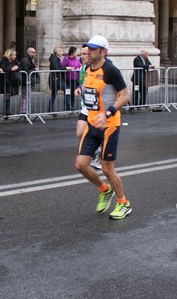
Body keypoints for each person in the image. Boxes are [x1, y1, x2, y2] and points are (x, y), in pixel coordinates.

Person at [75, 35, 132, 220]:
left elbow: (125, 94)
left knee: (107, 169)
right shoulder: (86, 68)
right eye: (88, 49)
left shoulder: (110, 70)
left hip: (109, 125)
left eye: (93, 49)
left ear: (103, 52)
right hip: (92, 124)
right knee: (81, 165)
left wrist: (107, 113)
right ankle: (104, 189)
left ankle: (123, 203)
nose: (88, 52)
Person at [0, 48, 21, 119]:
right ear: (10, 55)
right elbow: (3, 68)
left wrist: (16, 68)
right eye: (14, 55)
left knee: (9, 94)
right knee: (7, 93)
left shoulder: (15, 61)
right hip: (4, 80)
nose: (15, 57)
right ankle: (6, 110)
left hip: (11, 79)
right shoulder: (4, 60)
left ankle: (7, 110)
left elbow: (20, 67)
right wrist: (11, 69)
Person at [61, 46, 82, 111]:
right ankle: (67, 107)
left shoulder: (76, 59)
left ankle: (72, 106)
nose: (76, 53)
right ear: (72, 52)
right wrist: (68, 68)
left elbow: (79, 65)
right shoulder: (66, 58)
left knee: (73, 93)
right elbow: (62, 66)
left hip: (75, 79)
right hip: (68, 78)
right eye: (75, 52)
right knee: (68, 93)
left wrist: (79, 68)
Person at [19, 47, 38, 114]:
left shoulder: (29, 59)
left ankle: (25, 109)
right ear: (29, 52)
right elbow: (26, 71)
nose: (35, 54)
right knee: (25, 95)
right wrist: (34, 70)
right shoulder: (25, 60)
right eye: (33, 52)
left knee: (27, 95)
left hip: (28, 80)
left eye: (35, 52)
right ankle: (23, 110)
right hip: (25, 80)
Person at [48, 47, 66, 113]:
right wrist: (65, 68)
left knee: (54, 94)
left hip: (56, 78)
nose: (62, 53)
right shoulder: (55, 59)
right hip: (55, 78)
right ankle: (51, 109)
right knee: (54, 94)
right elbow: (56, 68)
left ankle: (50, 109)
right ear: (58, 52)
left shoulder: (55, 58)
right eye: (61, 51)